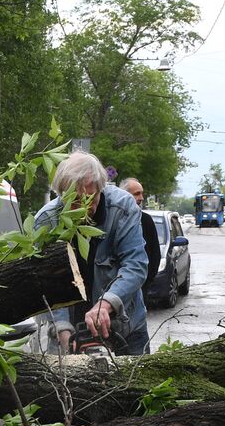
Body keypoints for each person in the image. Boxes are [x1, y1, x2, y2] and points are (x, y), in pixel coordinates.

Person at [37, 152, 149, 355]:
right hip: (72, 328)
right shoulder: (46, 221)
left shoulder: (123, 208)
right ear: (61, 194)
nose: (86, 207)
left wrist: (106, 304)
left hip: (126, 328)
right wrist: (62, 327)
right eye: (76, 200)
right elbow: (47, 283)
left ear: (101, 188)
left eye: (91, 197)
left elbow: (136, 265)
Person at [119, 176, 163, 289]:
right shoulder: (113, 220)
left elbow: (155, 253)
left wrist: (147, 281)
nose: (142, 198)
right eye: (137, 194)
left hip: (140, 286)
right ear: (124, 195)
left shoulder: (146, 220)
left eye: (142, 193)